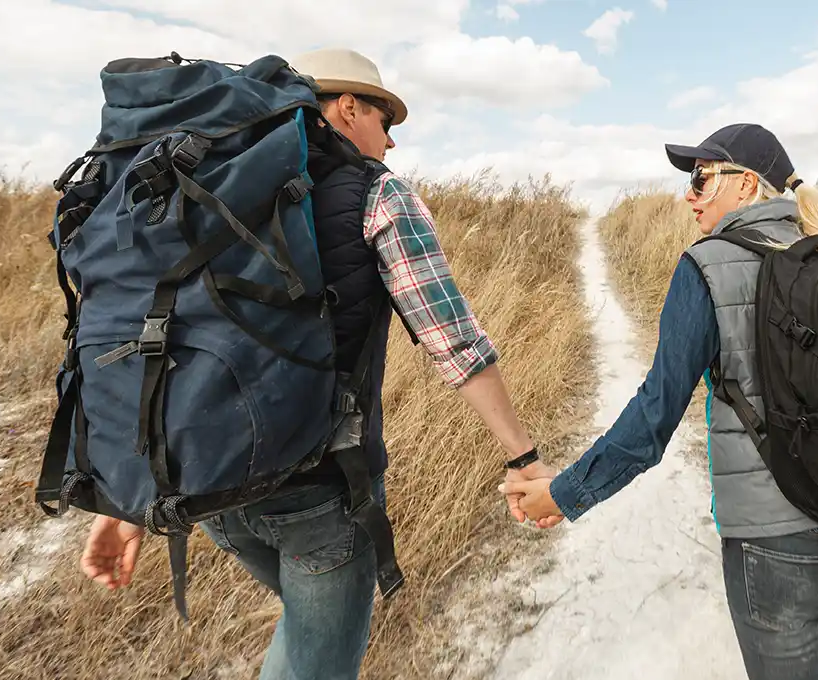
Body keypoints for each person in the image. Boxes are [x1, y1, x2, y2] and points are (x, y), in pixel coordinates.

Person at [79, 48, 559, 679]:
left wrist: (130, 499)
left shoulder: (203, 187)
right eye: (386, 123)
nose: (390, 143)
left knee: (307, 629)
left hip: (211, 489)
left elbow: (154, 342)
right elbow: (453, 341)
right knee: (314, 656)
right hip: (321, 493)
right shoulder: (378, 192)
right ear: (348, 107)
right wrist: (525, 458)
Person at [500, 123, 818, 679]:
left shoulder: (707, 265)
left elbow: (653, 418)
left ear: (746, 186)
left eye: (700, 179)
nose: (687, 196)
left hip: (777, 547)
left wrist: (563, 495)